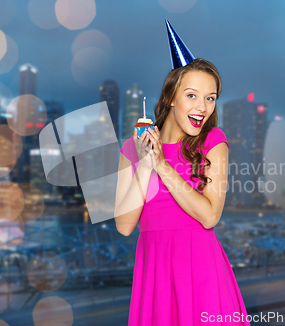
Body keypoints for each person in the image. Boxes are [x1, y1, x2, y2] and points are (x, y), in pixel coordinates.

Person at [114, 20, 251, 326]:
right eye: (192, 95)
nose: (202, 106)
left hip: (201, 272)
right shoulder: (132, 148)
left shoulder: (214, 142)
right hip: (155, 273)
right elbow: (124, 225)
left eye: (210, 97)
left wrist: (162, 166)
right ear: (171, 98)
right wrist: (146, 162)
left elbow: (209, 216)